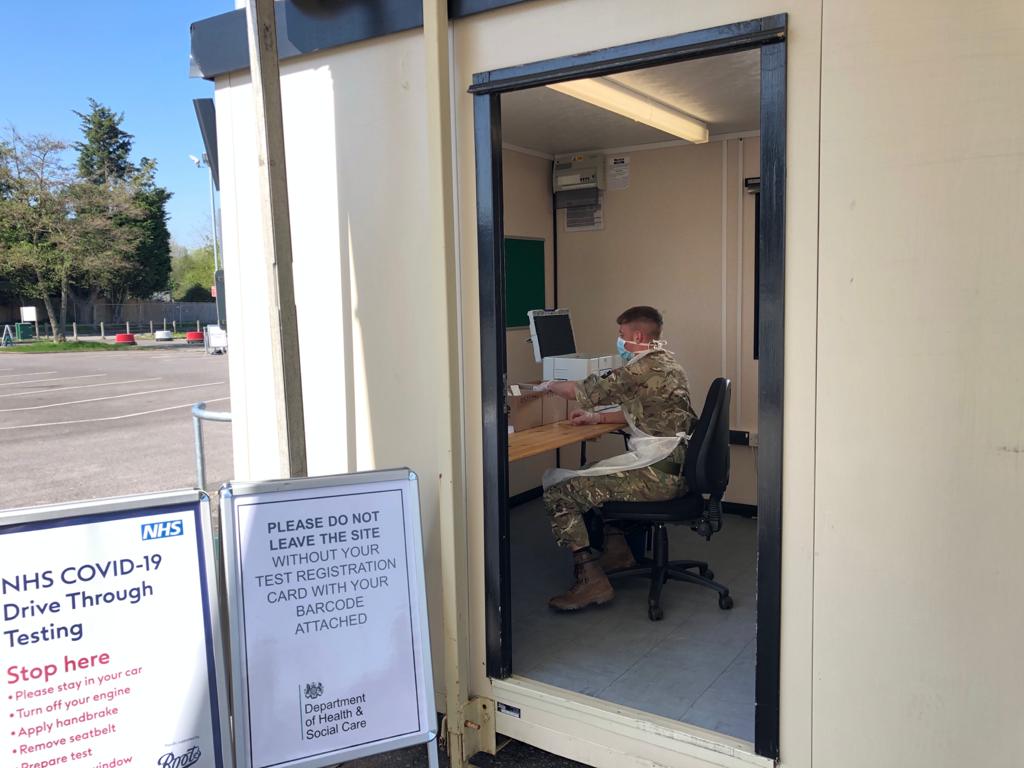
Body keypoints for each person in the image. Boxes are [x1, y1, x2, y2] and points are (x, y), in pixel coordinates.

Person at [540, 306, 697, 611]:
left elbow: (580, 390)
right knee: (590, 472)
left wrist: (548, 384)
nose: (619, 340)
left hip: (659, 475)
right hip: (676, 467)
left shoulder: (639, 369)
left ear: (636, 335)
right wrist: (595, 420)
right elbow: (645, 411)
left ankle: (590, 579)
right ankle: (618, 552)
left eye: (621, 334)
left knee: (561, 489)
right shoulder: (666, 363)